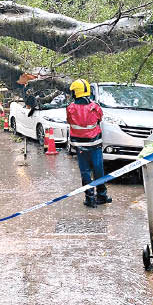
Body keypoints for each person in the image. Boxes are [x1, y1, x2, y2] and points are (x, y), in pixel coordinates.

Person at [66, 78, 112, 208]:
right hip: (95, 144)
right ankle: (102, 195)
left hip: (80, 146)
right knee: (98, 169)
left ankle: (89, 198)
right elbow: (100, 118)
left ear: (75, 92)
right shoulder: (95, 107)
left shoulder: (70, 108)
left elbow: (70, 121)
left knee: (85, 171)